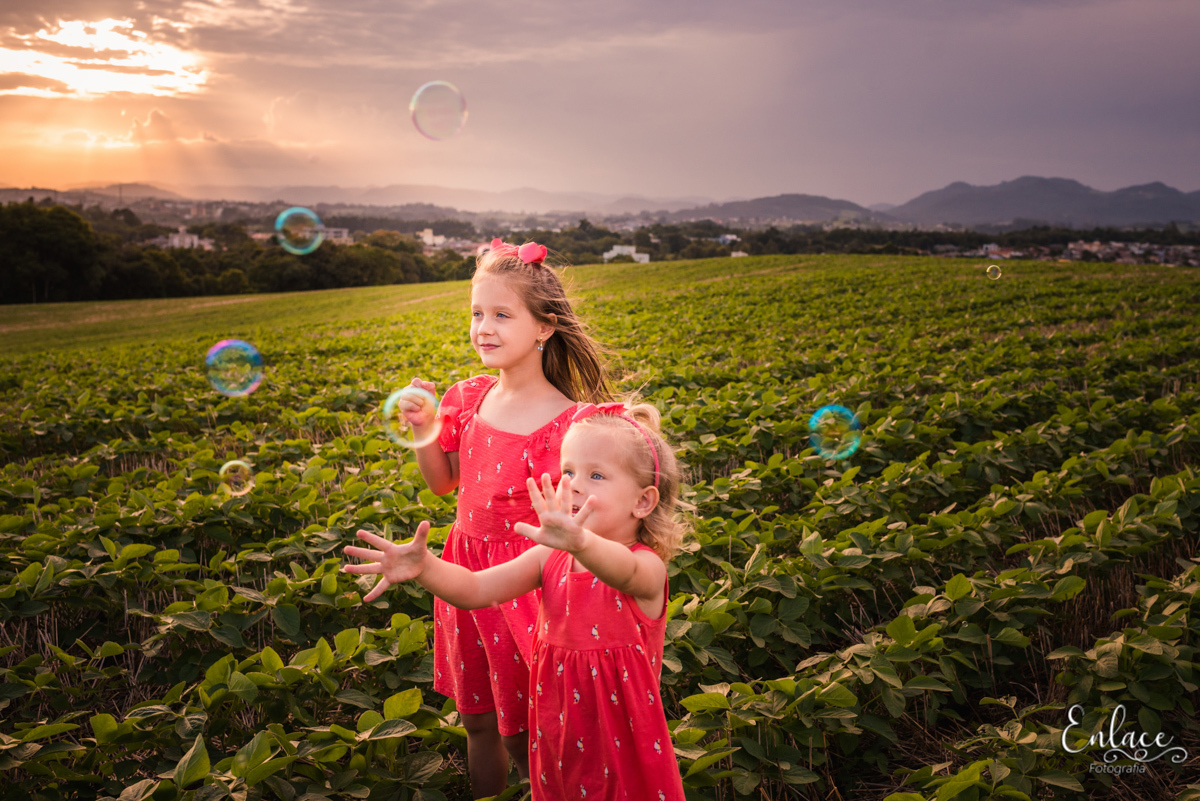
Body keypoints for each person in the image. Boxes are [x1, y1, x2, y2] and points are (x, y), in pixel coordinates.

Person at [344, 400, 689, 801]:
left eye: (596, 475)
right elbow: (475, 590)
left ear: (643, 502)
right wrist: (425, 567)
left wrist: (579, 542)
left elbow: (621, 572)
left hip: (619, 739)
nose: (574, 485)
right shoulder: (550, 558)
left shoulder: (645, 571)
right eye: (568, 472)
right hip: (558, 728)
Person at [387, 238, 614, 798]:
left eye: (501, 315)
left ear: (544, 327)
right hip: (464, 572)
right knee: (478, 721)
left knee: (524, 732)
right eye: (476, 313)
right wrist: (423, 429)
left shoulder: (573, 425)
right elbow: (443, 484)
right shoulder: (467, 398)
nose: (483, 327)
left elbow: (587, 523)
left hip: (528, 582)